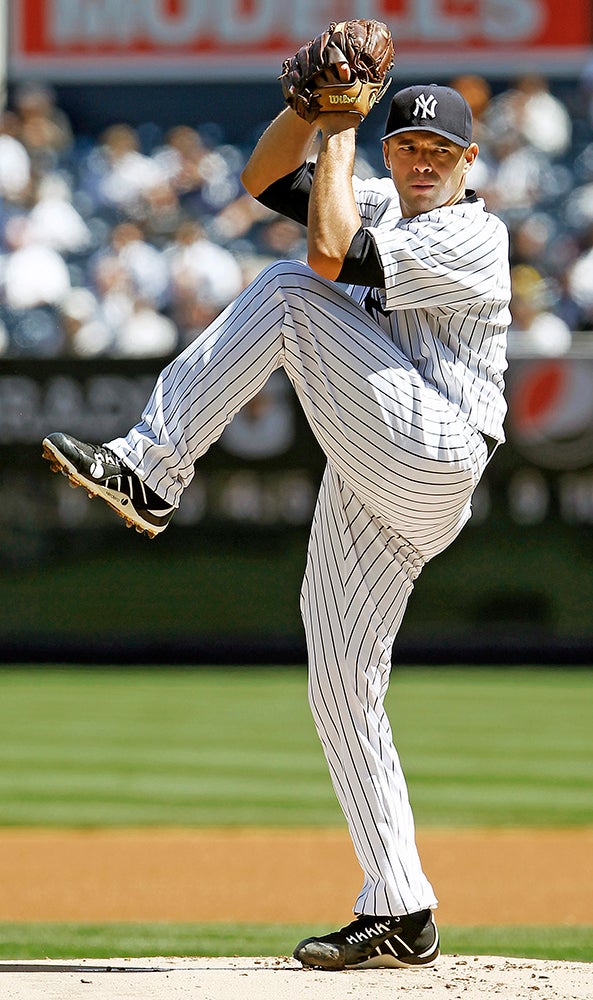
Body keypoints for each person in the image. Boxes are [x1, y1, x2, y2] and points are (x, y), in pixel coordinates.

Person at [42, 80, 511, 970]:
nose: (420, 162)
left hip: (438, 449)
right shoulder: (375, 193)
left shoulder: (470, 234)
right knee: (339, 681)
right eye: (407, 145)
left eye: (439, 152)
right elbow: (265, 179)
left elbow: (330, 255)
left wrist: (339, 124)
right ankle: (401, 904)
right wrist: (305, 107)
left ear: (467, 164)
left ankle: (151, 466)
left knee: (293, 290)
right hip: (375, 466)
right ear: (390, 152)